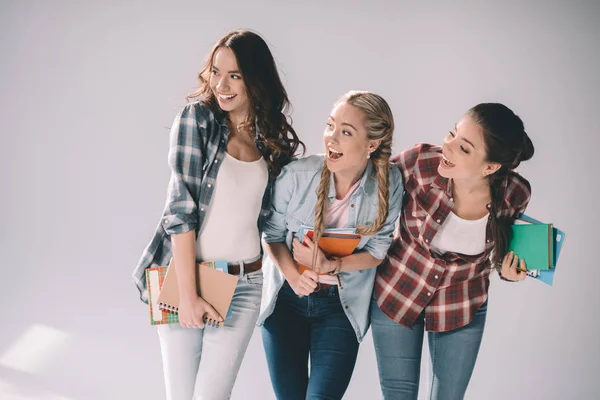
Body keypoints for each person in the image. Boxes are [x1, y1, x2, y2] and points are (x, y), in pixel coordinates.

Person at [132, 29, 304, 400]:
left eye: (235, 75)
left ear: (256, 80)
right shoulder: (197, 121)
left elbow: (274, 220)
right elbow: (180, 211)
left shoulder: (269, 139)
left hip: (245, 283)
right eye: (215, 72)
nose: (221, 84)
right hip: (185, 276)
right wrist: (190, 295)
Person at [371, 103, 535, 399]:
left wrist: (511, 273)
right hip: (398, 292)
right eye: (451, 134)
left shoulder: (515, 195)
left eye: (465, 148)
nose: (448, 147)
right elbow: (367, 192)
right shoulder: (419, 162)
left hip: (462, 304)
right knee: (398, 395)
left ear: (490, 167)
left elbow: (504, 254)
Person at [258, 90, 403, 400]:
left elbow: (377, 252)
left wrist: (329, 265)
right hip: (285, 303)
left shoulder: (389, 184)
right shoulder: (297, 176)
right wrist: (294, 277)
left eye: (346, 132)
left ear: (372, 144)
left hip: (339, 307)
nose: (331, 138)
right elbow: (270, 236)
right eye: (330, 125)